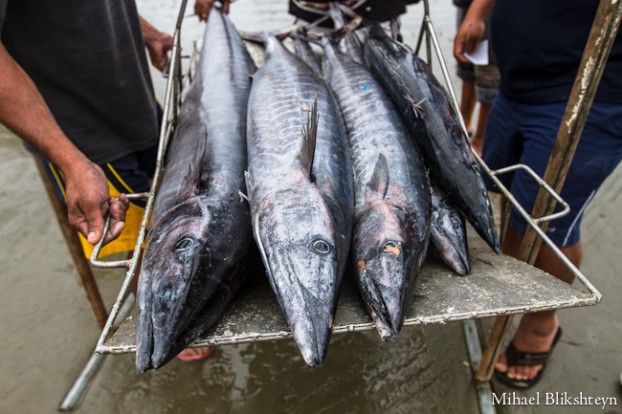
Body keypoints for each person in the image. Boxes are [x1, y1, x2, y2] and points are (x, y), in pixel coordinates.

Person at [455, 0, 622, 388]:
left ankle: (541, 323)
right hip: (515, 85)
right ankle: (515, 283)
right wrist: (479, 12)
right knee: (504, 192)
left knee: (545, 222)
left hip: (586, 91)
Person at [0, 1, 173, 256]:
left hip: (140, 105)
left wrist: (148, 33)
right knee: (146, 256)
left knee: (171, 223)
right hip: (87, 141)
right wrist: (73, 164)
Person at [453, 0, 499, 156]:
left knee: (489, 76)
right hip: (466, 5)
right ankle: (464, 125)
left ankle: (480, 141)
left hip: (492, 10)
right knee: (466, 62)